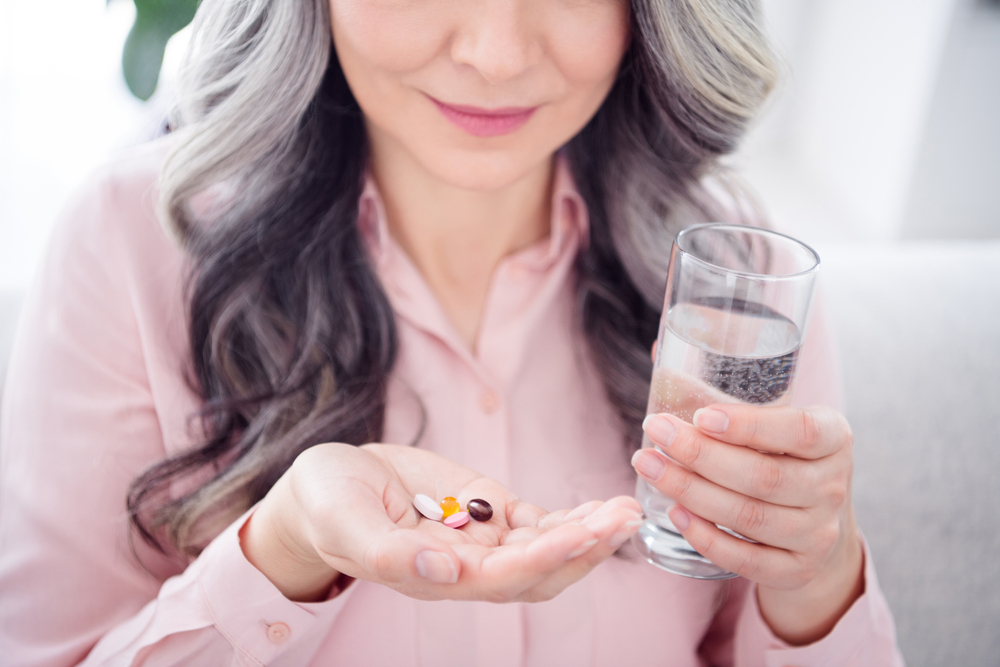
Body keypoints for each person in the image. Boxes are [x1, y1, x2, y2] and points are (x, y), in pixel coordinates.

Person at [0, 0, 904, 664]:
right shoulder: (131, 243)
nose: (496, 52)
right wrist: (282, 553)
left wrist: (816, 578)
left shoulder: (735, 290)